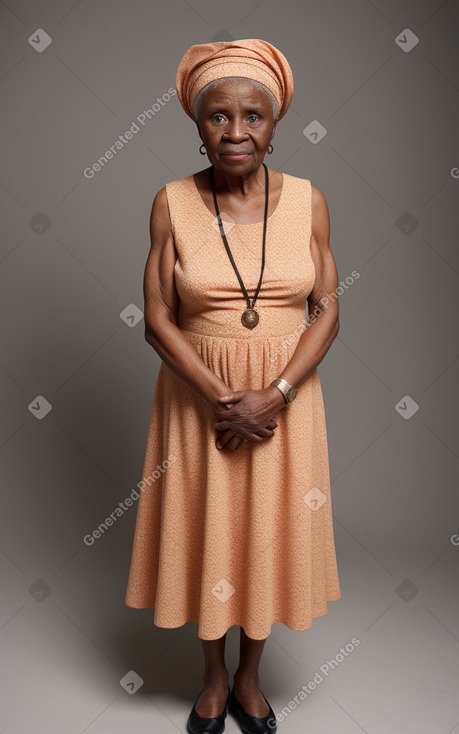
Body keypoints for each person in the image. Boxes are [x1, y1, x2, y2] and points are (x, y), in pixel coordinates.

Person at [125, 38, 342, 734]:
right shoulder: (172, 202)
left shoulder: (308, 201)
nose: (236, 131)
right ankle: (212, 680)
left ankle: (250, 678)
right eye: (218, 116)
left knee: (265, 532)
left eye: (253, 115)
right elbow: (158, 319)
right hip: (198, 399)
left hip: (286, 398)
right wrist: (224, 398)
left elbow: (328, 307)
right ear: (196, 122)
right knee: (209, 530)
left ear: (275, 124)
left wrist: (273, 394)